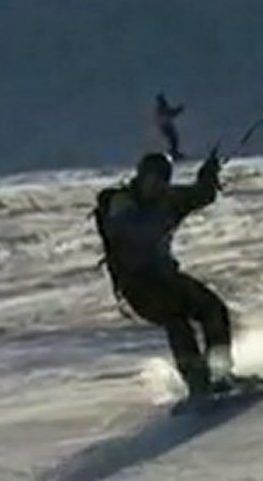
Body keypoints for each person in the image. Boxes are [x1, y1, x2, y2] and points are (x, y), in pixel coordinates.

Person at [93, 150, 235, 397]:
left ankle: (222, 374)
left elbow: (201, 195)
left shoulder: (165, 199)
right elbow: (131, 231)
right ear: (141, 177)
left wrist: (208, 176)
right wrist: (168, 207)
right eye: (153, 179)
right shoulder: (122, 202)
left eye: (163, 180)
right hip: (138, 286)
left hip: (166, 279)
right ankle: (198, 383)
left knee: (213, 309)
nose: (158, 185)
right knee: (176, 320)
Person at [154, 94, 185, 161]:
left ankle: (173, 151)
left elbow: (171, 113)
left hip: (164, 126)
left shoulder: (162, 107)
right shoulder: (161, 107)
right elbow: (171, 113)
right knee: (173, 138)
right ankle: (173, 152)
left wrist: (178, 110)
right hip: (165, 126)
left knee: (173, 138)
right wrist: (179, 109)